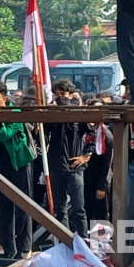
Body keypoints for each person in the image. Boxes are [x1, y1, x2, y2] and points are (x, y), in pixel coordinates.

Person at [0, 81, 36, 259]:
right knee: (4, 207)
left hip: (19, 163)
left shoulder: (15, 113)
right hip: (1, 164)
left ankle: (24, 248)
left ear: (4, 99)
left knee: (23, 206)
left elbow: (5, 135)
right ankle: (9, 248)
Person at [48, 79, 91, 237]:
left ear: (71, 95)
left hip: (74, 167)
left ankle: (84, 243)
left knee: (79, 208)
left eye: (63, 94)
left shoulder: (79, 114)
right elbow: (42, 135)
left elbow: (93, 136)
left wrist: (86, 156)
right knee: (60, 209)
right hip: (56, 166)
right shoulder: (52, 115)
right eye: (57, 94)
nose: (60, 98)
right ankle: (64, 243)